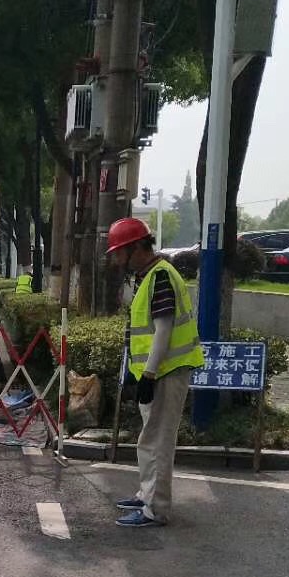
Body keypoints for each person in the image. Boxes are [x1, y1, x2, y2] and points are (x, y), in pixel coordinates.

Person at [106, 217, 204, 528]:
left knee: (158, 441)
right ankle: (146, 494)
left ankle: (156, 508)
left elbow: (163, 330)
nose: (117, 259)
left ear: (136, 248)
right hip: (158, 371)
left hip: (165, 372)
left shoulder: (160, 276)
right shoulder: (148, 275)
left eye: (120, 252)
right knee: (149, 438)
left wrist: (148, 375)